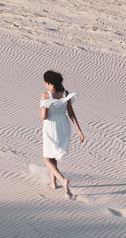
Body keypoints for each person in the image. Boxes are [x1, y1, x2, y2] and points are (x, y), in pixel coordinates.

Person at [40, 70, 84, 199]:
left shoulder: (46, 95)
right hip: (64, 126)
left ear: (48, 83)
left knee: (47, 159)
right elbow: (71, 113)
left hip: (51, 126)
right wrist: (79, 130)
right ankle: (53, 183)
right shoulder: (66, 93)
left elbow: (44, 117)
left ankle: (62, 180)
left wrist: (43, 107)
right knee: (52, 155)